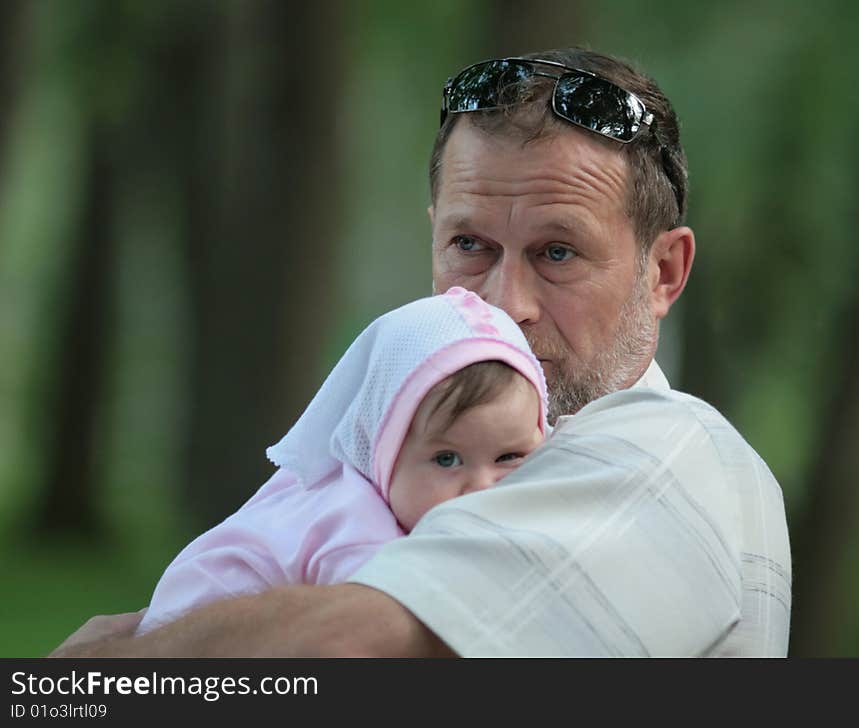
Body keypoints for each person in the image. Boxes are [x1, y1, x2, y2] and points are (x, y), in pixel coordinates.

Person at [50, 46, 792, 657]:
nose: (506, 303)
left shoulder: (669, 452)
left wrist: (126, 660)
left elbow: (351, 650)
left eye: (557, 253)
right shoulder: (402, 463)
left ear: (662, 273)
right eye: (470, 245)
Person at [136, 287, 547, 634]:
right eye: (446, 459)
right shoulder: (355, 531)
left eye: (510, 456)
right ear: (383, 452)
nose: (481, 488)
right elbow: (387, 637)